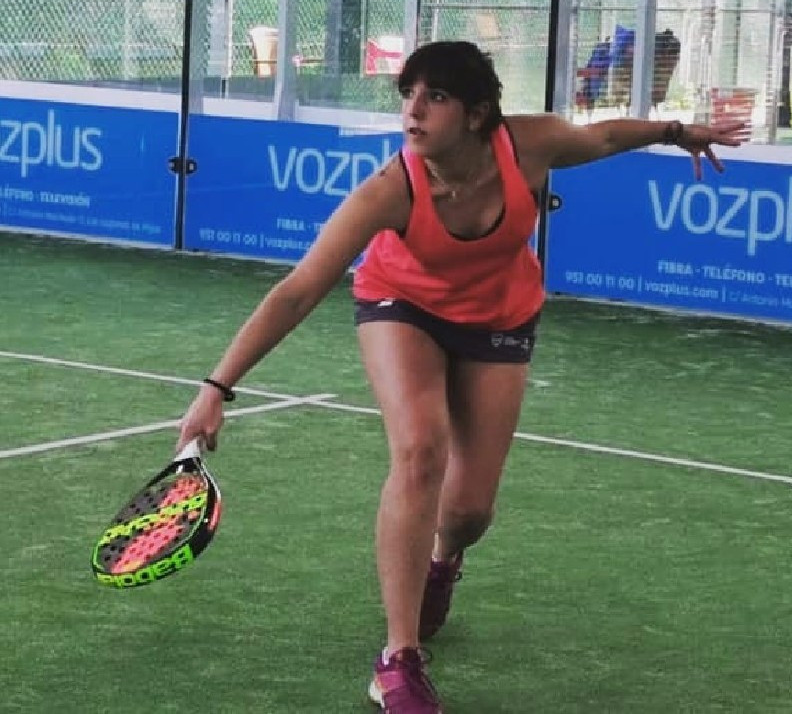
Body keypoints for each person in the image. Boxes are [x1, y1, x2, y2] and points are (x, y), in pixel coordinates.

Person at [177, 40, 746, 713]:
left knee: (470, 510)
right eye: (408, 95)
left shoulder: (528, 146)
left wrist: (676, 132)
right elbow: (299, 290)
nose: (413, 111)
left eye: (435, 97)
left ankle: (443, 558)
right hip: (402, 305)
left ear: (476, 115)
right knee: (420, 450)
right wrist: (216, 388)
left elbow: (602, 137)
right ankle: (398, 659)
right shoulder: (390, 191)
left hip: (499, 315)